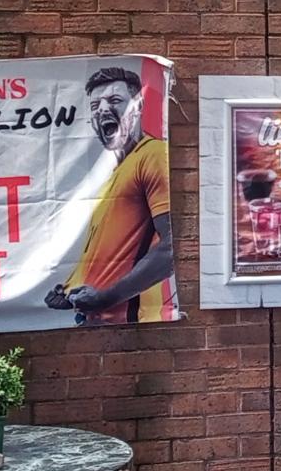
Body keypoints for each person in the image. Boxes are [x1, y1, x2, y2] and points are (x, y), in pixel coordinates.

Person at [45, 65, 180, 322]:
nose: (103, 110)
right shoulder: (113, 176)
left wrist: (106, 297)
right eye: (95, 106)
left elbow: (169, 249)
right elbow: (109, 255)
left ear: (138, 105)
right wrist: (71, 291)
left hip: (133, 323)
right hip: (98, 323)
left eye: (115, 100)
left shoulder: (151, 155)